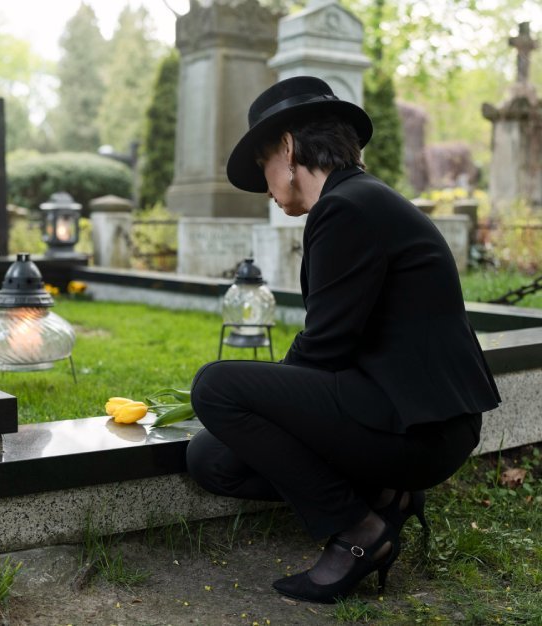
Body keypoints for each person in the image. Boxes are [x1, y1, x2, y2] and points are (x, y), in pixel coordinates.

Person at [186, 76, 501, 604]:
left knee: (216, 387)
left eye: (263, 168)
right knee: (211, 458)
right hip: (409, 416)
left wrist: (261, 397)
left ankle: (360, 531)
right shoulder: (363, 199)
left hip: (420, 431)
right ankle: (386, 495)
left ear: (287, 149)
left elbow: (324, 347)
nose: (266, 187)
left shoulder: (347, 208)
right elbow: (340, 341)